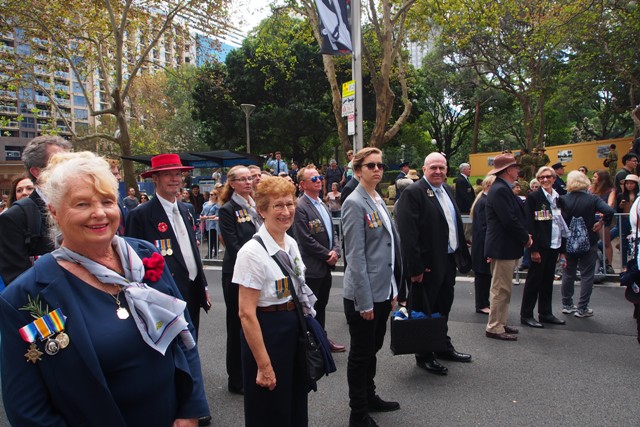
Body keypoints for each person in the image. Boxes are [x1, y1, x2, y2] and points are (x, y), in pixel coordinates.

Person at [0, 152, 209, 426]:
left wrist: (191, 411)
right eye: (82, 203)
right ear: (55, 212)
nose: (99, 213)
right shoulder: (25, 296)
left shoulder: (144, 254)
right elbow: (27, 409)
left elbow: (184, 334)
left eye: (107, 201)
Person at [234, 177, 316, 426]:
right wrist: (264, 365)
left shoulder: (290, 243)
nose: (286, 211)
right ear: (262, 210)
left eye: (290, 204)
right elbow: (246, 314)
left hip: (293, 328)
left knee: (295, 402)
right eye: (278, 205)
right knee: (270, 408)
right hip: (267, 333)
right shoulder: (251, 253)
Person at [396, 152, 472, 376]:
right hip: (426, 266)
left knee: (443, 306)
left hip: (448, 260)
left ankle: (441, 345)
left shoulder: (447, 189)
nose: (438, 171)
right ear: (424, 169)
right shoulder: (413, 192)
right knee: (425, 309)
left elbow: (452, 223)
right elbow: (409, 234)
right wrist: (416, 267)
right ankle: (424, 355)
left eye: (442, 167)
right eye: (433, 168)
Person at [342, 147, 401, 427]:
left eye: (380, 165)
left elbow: (387, 249)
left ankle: (370, 396)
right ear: (357, 171)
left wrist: (393, 289)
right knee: (361, 354)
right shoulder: (354, 202)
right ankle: (358, 412)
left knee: (373, 349)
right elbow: (355, 257)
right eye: (370, 165)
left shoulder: (377, 199)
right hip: (363, 295)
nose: (377, 169)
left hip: (383, 290)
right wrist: (364, 302)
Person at [125, 154, 210, 338]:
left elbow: (192, 251)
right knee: (169, 348)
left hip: (192, 290)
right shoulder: (140, 215)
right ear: (155, 178)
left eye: (178, 174)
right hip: (163, 296)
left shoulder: (186, 209)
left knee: (192, 343)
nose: (174, 179)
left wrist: (202, 285)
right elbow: (132, 261)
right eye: (167, 174)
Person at [0, 135, 71, 285]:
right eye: (59, 163)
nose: (69, 169)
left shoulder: (81, 206)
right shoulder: (15, 217)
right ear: (37, 172)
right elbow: (18, 283)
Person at [218, 165, 263, 395]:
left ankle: (254, 370)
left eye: (250, 178)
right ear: (232, 183)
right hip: (237, 273)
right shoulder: (228, 209)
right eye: (243, 179)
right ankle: (236, 378)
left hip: (258, 272)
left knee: (255, 325)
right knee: (237, 326)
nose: (248, 182)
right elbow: (234, 245)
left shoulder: (256, 206)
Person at [294, 166, 344, 353]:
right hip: (313, 267)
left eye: (319, 177)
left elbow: (333, 233)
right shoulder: (300, 207)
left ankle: (321, 339)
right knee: (311, 308)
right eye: (313, 179)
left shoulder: (322, 204)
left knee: (321, 306)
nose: (319, 181)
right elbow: (305, 240)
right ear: (303, 184)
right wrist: (327, 255)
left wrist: (336, 251)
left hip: (326, 266)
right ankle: (311, 345)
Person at [484, 153, 532, 341]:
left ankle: (500, 323)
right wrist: (525, 237)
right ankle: (495, 326)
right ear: (508, 170)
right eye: (515, 167)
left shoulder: (501, 188)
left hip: (504, 246)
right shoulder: (500, 190)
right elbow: (509, 219)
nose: (518, 170)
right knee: (500, 289)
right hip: (502, 247)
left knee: (504, 288)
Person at [559, 171, 614, 318]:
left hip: (568, 241)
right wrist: (601, 223)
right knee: (587, 275)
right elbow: (609, 211)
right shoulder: (592, 199)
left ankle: (567, 304)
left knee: (568, 273)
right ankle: (582, 307)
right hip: (589, 240)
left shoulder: (563, 199)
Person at [520, 166, 567, 328]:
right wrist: (533, 250)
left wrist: (562, 250)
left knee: (547, 281)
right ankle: (526, 314)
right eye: (541, 178)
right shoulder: (534, 197)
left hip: (555, 243)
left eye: (548, 177)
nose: (545, 180)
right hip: (540, 246)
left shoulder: (558, 197)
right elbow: (530, 224)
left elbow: (562, 223)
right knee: (534, 281)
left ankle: (546, 313)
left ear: (554, 179)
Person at [471, 175, 495, 315]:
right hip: (483, 246)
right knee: (483, 276)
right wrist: (489, 249)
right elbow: (484, 228)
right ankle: (481, 304)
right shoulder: (484, 202)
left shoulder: (484, 201)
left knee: (485, 276)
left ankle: (483, 303)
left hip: (482, 245)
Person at [590, 170, 616, 274]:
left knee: (606, 242)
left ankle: (609, 264)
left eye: (595, 177)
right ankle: (596, 264)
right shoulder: (591, 189)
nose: (593, 178)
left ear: (602, 179)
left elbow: (610, 204)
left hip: (603, 219)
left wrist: (604, 211)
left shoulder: (610, 190)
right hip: (592, 218)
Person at [614, 174, 639, 268]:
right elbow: (617, 210)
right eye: (627, 183)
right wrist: (621, 205)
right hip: (624, 220)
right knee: (624, 242)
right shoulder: (621, 195)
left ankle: (635, 263)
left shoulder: (638, 196)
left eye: (631, 183)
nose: (629, 185)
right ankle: (624, 265)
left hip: (636, 221)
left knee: (636, 243)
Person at [200, 190, 220, 259]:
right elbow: (202, 212)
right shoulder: (205, 203)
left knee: (214, 239)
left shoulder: (217, 205)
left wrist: (207, 217)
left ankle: (214, 253)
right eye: (210, 194)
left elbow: (217, 215)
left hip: (214, 224)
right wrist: (201, 217)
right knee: (209, 239)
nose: (210, 196)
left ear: (216, 195)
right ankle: (210, 253)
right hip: (206, 224)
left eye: (212, 194)